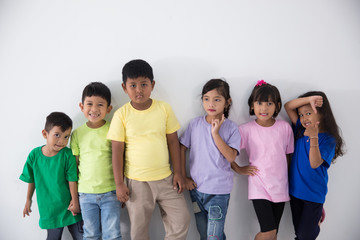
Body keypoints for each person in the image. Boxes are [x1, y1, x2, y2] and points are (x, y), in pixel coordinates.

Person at [107, 59, 190, 240]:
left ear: (152, 85)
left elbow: (173, 143)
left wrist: (178, 173)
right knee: (139, 230)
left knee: (181, 219)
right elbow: (117, 151)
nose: (139, 90)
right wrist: (119, 184)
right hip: (137, 183)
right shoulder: (121, 114)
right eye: (133, 85)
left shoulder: (164, 109)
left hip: (166, 179)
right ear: (124, 87)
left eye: (144, 84)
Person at [232, 80, 294, 240]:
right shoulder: (245, 130)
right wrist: (239, 168)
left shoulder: (285, 127)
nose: (264, 108)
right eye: (259, 103)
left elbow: (288, 156)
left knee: (274, 234)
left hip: (280, 187)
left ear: (277, 106)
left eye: (269, 103)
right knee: (268, 232)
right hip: (259, 186)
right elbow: (229, 153)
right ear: (252, 105)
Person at [179, 79, 241, 240]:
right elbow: (181, 147)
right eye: (206, 99)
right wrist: (183, 176)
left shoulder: (232, 127)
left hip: (219, 193)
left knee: (213, 236)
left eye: (217, 99)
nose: (211, 103)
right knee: (204, 234)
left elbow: (231, 156)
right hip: (196, 191)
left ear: (227, 102)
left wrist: (215, 134)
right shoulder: (195, 125)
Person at [284, 91, 344, 240]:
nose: (304, 118)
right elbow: (288, 106)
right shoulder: (299, 128)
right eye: (301, 115)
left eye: (308, 113)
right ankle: (314, 220)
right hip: (295, 191)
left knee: (305, 236)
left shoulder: (328, 139)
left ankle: (315, 222)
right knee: (299, 232)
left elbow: (314, 162)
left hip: (313, 194)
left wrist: (313, 137)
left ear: (322, 114)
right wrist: (310, 100)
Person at [70, 82, 122, 240]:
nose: (94, 109)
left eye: (100, 104)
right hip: (86, 195)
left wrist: (122, 187)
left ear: (108, 109)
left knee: (112, 235)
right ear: (81, 106)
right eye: (89, 104)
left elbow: (121, 160)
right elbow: (74, 166)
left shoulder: (113, 129)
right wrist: (74, 198)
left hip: (111, 193)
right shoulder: (77, 133)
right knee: (91, 235)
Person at [20, 112, 83, 240]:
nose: (62, 141)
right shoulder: (34, 155)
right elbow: (31, 179)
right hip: (49, 210)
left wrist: (75, 202)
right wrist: (28, 199)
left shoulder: (67, 155)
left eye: (66, 137)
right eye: (57, 135)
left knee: (82, 237)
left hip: (70, 208)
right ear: (45, 134)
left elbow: (72, 180)